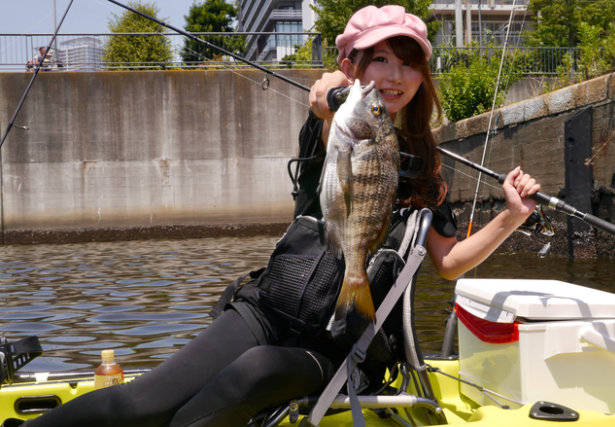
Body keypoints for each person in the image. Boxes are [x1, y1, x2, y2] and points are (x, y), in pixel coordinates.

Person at [13, 5, 540, 427]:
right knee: (144, 401)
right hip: (266, 309)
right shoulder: (337, 126)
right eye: (380, 60)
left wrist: (510, 218)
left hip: (341, 343)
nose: (395, 75)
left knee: (253, 374)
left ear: (423, 77)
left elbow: (448, 262)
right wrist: (340, 88)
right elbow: (321, 94)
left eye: (408, 63)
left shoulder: (426, 165)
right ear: (356, 67)